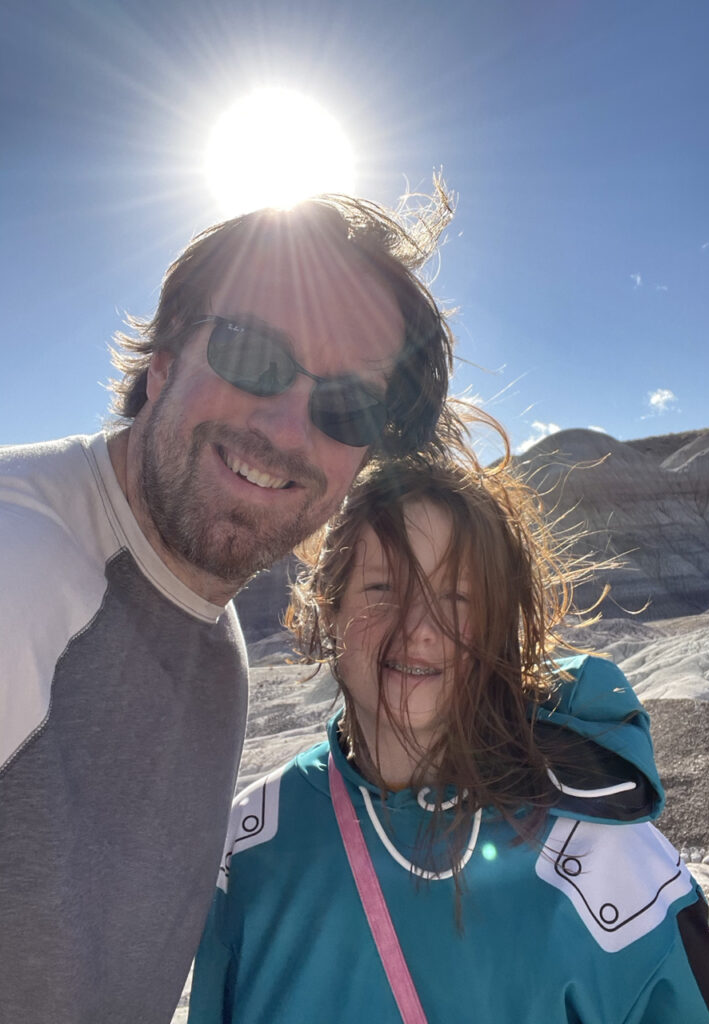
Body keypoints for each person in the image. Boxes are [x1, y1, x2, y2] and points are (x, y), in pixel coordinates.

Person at [0, 187, 460, 1024]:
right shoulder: (19, 567)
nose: (288, 429)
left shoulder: (211, 634)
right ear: (163, 362)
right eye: (252, 353)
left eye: (349, 404)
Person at [189, 452, 709, 1024]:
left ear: (497, 627)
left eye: (456, 599)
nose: (418, 628)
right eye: (381, 587)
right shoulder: (250, 845)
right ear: (328, 608)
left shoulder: (609, 862)